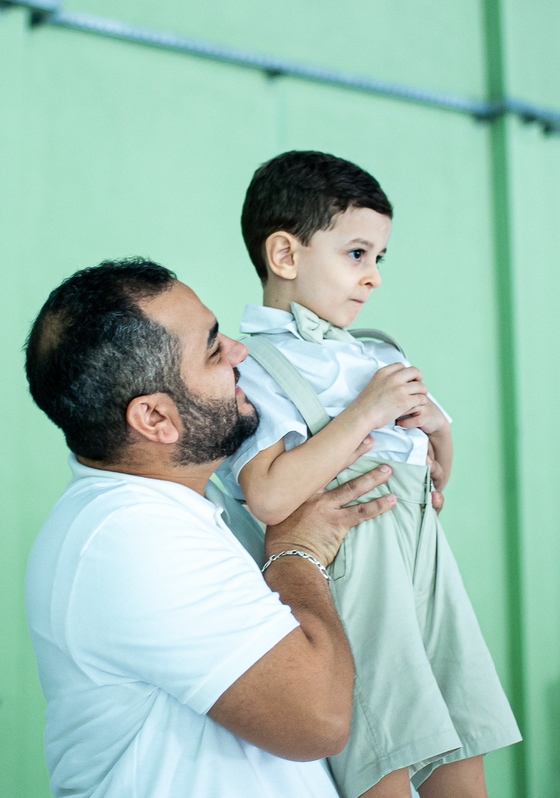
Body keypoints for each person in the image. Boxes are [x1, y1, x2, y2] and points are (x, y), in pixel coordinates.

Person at [24, 259, 397, 798]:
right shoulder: (134, 539)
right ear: (154, 419)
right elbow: (316, 718)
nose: (241, 352)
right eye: (213, 348)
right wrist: (297, 553)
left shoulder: (168, 508)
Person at [216, 151, 519, 798]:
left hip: (422, 551)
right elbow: (267, 495)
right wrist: (365, 414)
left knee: (461, 720)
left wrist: (440, 434)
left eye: (380, 257)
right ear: (285, 256)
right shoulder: (258, 365)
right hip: (354, 564)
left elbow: (435, 470)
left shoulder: (378, 351)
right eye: (357, 254)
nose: (373, 276)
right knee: (384, 736)